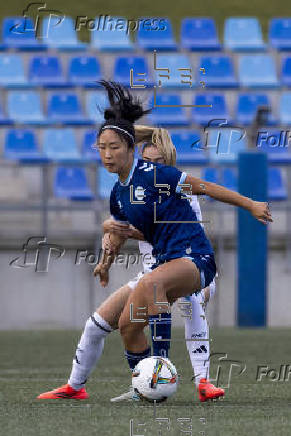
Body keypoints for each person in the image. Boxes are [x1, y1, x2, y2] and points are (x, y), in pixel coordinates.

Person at [93, 80, 272, 394]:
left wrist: (250, 204)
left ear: (130, 150)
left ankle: (177, 374)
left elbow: (205, 187)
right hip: (162, 266)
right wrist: (105, 263)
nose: (107, 155)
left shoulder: (157, 175)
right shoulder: (118, 194)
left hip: (194, 261)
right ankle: (145, 387)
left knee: (160, 287)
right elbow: (119, 234)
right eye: (102, 148)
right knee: (128, 325)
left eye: (114, 147)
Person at [36, 123, 223, 402]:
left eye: (158, 162)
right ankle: (80, 387)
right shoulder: (131, 191)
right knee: (97, 324)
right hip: (151, 272)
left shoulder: (180, 194)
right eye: (146, 162)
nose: (150, 167)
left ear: (168, 164)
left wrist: (118, 230)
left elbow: (149, 231)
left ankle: (203, 381)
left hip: (187, 268)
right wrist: (105, 260)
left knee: (190, 302)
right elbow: (120, 230)